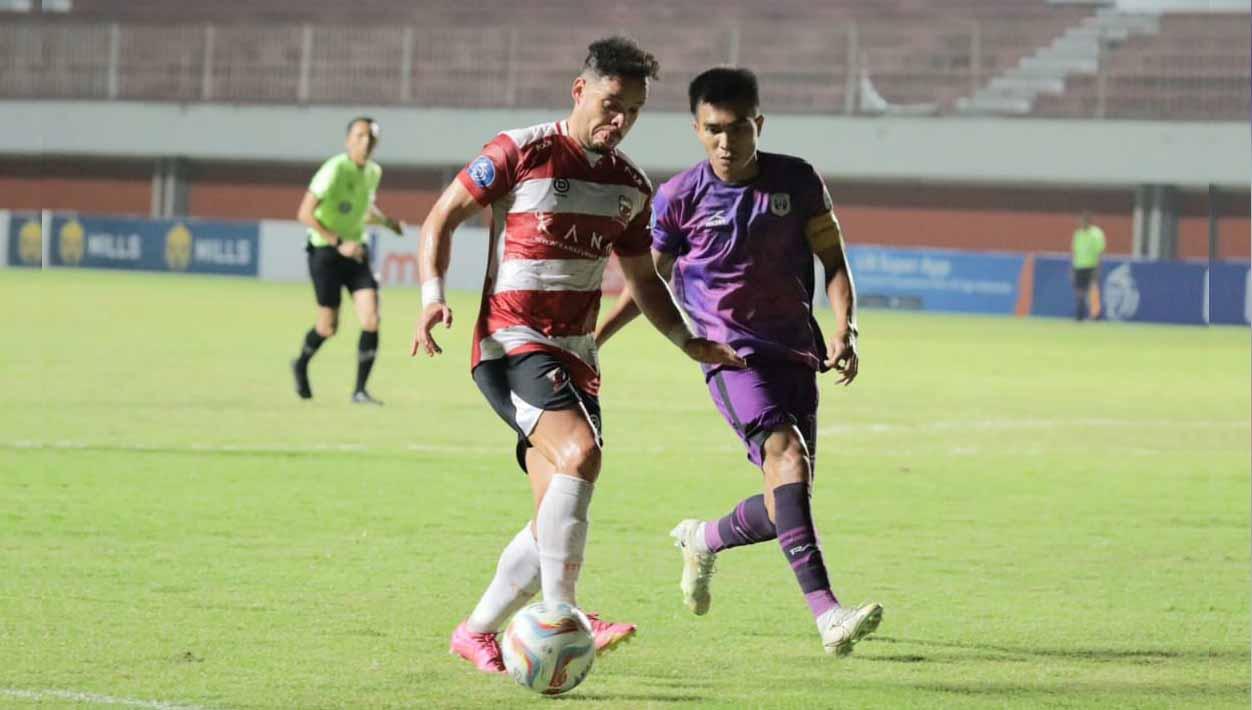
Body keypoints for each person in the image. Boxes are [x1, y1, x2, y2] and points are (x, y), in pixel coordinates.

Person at [410, 38, 744, 674]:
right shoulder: (518, 150)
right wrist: (431, 296)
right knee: (582, 456)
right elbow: (441, 218)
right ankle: (564, 613)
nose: (619, 121)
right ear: (579, 91)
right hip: (510, 344)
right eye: (612, 104)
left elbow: (645, 283)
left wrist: (688, 340)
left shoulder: (630, 187)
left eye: (634, 112)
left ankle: (475, 631)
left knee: (551, 517)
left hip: (576, 359)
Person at [596, 67, 883, 657]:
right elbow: (648, 282)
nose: (725, 143)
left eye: (737, 129)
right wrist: (592, 337)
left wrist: (844, 326)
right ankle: (828, 615)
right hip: (729, 354)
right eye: (712, 131)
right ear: (697, 129)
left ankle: (703, 538)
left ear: (759, 123)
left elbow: (833, 259)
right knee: (787, 457)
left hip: (796, 353)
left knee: (786, 504)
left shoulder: (798, 181)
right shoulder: (678, 199)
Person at [291, 117, 404, 404]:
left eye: (371, 138)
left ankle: (360, 391)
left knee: (371, 318)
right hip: (325, 252)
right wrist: (339, 244)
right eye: (360, 136)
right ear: (348, 140)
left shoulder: (373, 172)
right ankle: (301, 363)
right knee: (328, 327)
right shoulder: (334, 169)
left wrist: (388, 223)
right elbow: (304, 213)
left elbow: (364, 210)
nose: (365, 142)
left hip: (356, 252)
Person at [1071, 211, 1106, 321]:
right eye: (1080, 221)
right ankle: (1080, 315)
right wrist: (1072, 268)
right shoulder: (1078, 234)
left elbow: (1100, 251)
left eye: (1083, 221)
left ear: (1088, 221)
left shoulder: (1096, 233)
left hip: (1092, 266)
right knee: (1079, 291)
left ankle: (1096, 315)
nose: (1081, 223)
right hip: (1079, 266)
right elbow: (1074, 252)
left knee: (1093, 291)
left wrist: (1098, 267)